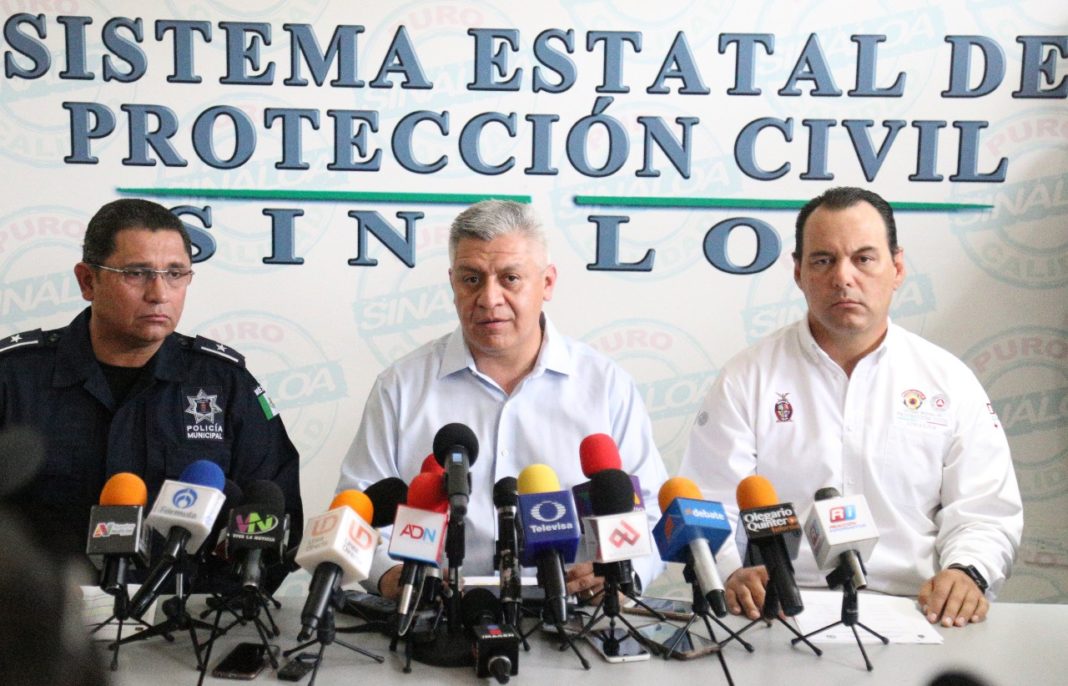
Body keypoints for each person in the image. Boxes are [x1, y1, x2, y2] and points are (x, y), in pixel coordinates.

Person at [679, 187, 1022, 628]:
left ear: (897, 268)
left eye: (863, 259)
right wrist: (731, 572)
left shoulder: (948, 380)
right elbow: (710, 504)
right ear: (798, 272)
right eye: (823, 260)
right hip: (780, 610)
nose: (843, 277)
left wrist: (966, 571)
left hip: (919, 608)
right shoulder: (746, 379)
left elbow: (985, 509)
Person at [337, 200, 668, 600]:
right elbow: (357, 514)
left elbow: (653, 512)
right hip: (435, 614)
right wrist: (391, 577)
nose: (488, 298)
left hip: (575, 612)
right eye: (471, 279)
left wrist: (621, 572)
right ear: (452, 283)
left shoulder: (606, 386)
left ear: (547, 283)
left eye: (510, 278)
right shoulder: (400, 387)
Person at [0, 198, 303, 588]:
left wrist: (213, 607)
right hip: (45, 618)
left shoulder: (226, 384)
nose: (159, 293)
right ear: (88, 281)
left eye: (175, 273)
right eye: (137, 273)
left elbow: (276, 524)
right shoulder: (14, 378)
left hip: (187, 617)